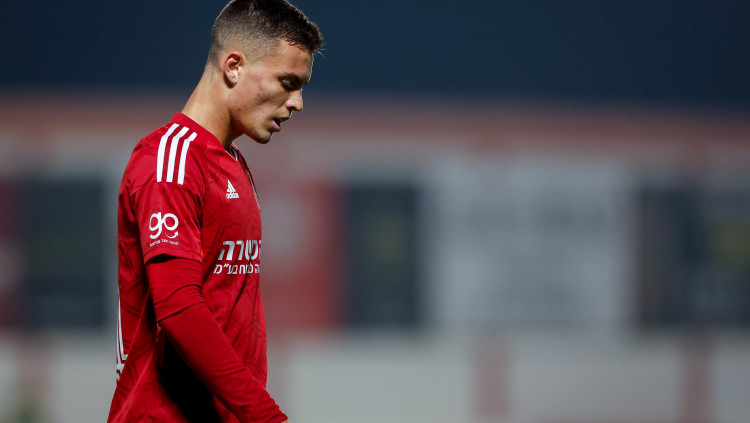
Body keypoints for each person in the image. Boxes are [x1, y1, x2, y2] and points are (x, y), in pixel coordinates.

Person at [108, 1, 322, 422]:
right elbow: (178, 306)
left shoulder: (233, 164)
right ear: (234, 67)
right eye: (287, 82)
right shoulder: (169, 162)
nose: (297, 102)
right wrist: (265, 416)